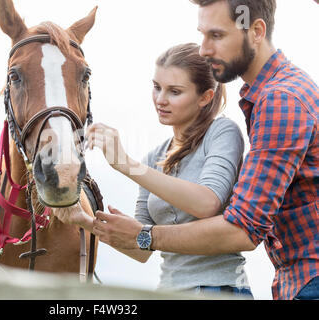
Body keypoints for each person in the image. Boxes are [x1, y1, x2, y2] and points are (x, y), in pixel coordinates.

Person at [85, 0, 318, 300]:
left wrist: (145, 235)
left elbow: (243, 230)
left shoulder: (279, 100)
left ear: (256, 31)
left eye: (217, 36)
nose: (204, 49)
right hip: (296, 279)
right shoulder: (271, 97)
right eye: (202, 34)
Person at [54, 42, 254, 297]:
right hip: (168, 291)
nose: (161, 100)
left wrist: (126, 165)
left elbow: (207, 202)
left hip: (218, 289)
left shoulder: (222, 132)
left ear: (206, 97)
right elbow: (140, 247)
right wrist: (82, 219)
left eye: (175, 91)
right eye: (157, 87)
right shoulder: (154, 157)